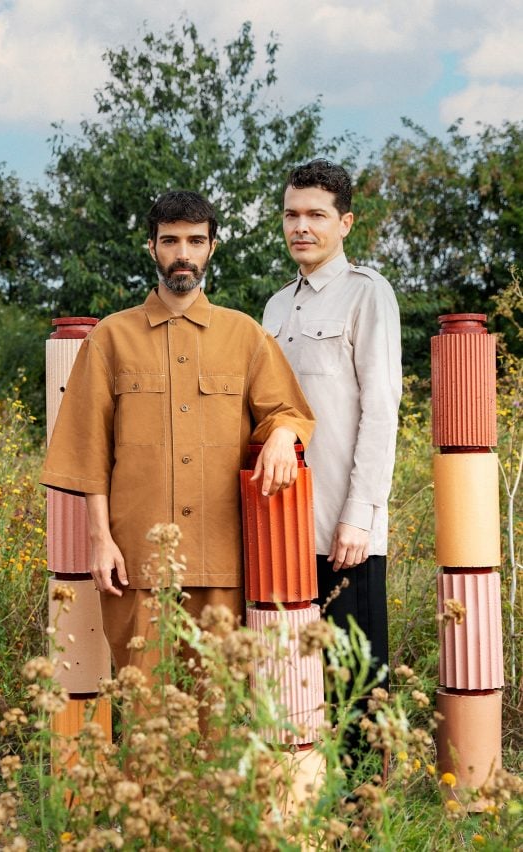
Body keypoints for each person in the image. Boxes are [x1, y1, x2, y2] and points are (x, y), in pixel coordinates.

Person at [41, 190, 315, 691]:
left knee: (218, 711)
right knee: (148, 711)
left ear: (211, 247)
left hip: (222, 561)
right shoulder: (110, 338)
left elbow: (289, 411)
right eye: (170, 241)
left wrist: (281, 433)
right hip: (136, 560)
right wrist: (101, 540)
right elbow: (87, 449)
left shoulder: (246, 335)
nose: (182, 253)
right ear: (152, 248)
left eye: (194, 240)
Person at [262, 159, 402, 760]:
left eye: (316, 215)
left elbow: (382, 407)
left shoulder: (367, 294)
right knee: (295, 684)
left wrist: (361, 515)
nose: (302, 227)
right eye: (293, 214)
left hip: (342, 528)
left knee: (356, 683)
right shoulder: (272, 308)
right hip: (281, 529)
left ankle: (363, 827)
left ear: (344, 222)